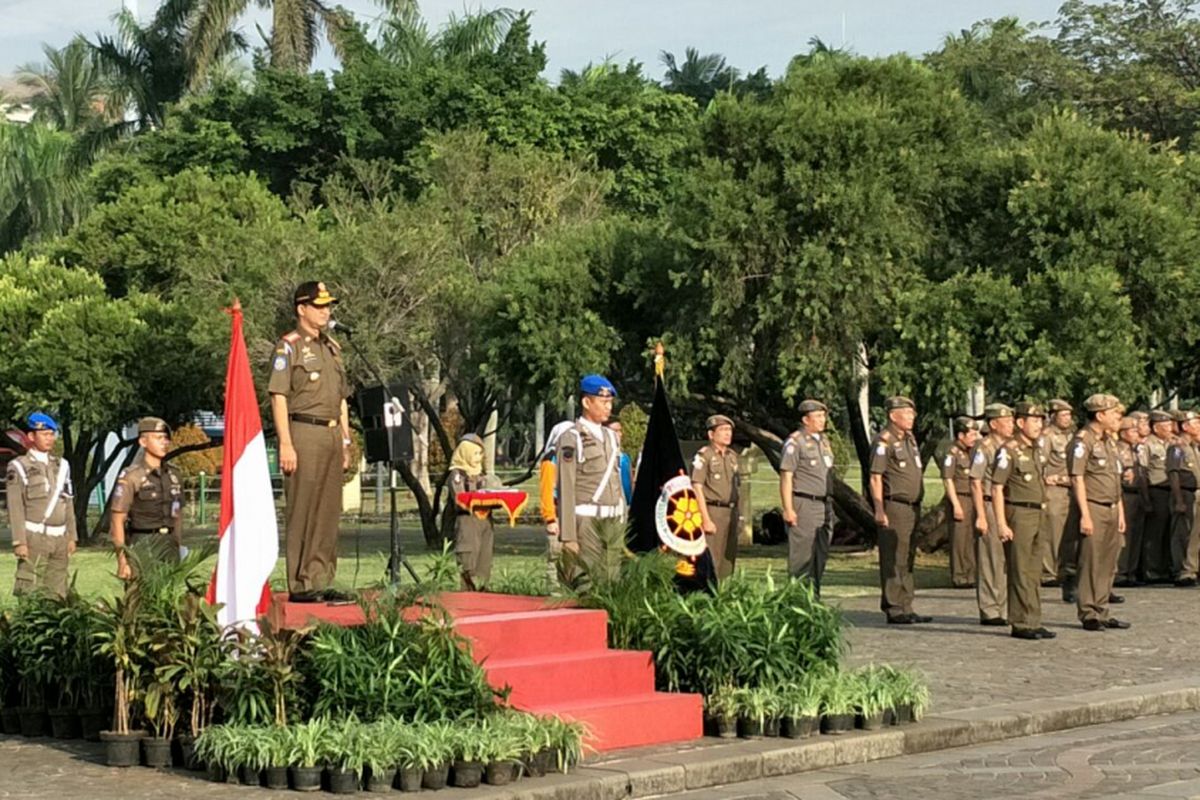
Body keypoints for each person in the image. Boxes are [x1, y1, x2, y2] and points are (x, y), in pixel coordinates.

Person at [267, 281, 352, 603]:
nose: (326, 311)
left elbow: (341, 398)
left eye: (328, 306)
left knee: (328, 510)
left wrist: (345, 439)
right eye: (319, 306)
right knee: (303, 507)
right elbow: (278, 396)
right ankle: (301, 582)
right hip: (303, 432)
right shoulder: (288, 347)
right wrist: (285, 444)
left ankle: (321, 576)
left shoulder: (332, 348)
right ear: (301, 309)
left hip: (331, 433)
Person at [992, 402, 1055, 640]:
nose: (1039, 424)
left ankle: (1034, 619)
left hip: (1039, 513)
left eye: (1041, 420)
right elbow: (997, 487)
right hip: (1019, 513)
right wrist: (1001, 523)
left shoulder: (1036, 449)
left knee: (1033, 570)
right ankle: (1020, 622)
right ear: (1020, 423)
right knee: (1019, 569)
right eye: (1034, 420)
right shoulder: (1009, 451)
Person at [1068, 393, 1129, 632]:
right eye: (1115, 413)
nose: (1118, 418)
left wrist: (1121, 511)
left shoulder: (1108, 441)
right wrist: (1084, 513)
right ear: (1100, 414)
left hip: (1112, 507)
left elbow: (1114, 479)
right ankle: (1088, 611)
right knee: (1091, 561)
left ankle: (1102, 609)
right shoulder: (1084, 440)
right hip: (1093, 505)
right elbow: (1077, 478)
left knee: (1108, 561)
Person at [869, 396, 931, 625]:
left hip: (912, 506)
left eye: (912, 414)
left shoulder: (909, 439)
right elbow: (875, 477)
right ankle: (894, 607)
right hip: (894, 505)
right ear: (893, 416)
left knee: (907, 557)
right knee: (894, 556)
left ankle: (906, 604)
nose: (911, 418)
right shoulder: (884, 441)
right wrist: (878, 509)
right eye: (906, 414)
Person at [556, 375, 626, 570]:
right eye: (603, 402)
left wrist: (623, 518)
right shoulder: (572, 438)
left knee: (612, 581)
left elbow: (617, 481)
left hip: (612, 520)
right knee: (588, 581)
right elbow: (566, 488)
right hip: (586, 522)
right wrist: (568, 536)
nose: (609, 407)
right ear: (587, 402)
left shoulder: (612, 437)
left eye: (610, 402)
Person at [5, 412, 76, 597]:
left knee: (58, 591)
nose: (49, 438)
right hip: (35, 536)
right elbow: (15, 507)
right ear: (31, 436)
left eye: (52, 434)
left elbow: (68, 501)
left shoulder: (62, 466)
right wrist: (19, 541)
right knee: (30, 588)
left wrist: (72, 536)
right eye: (44, 434)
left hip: (60, 536)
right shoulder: (19, 466)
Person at [110, 417, 184, 579]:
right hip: (142, 543)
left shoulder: (174, 474)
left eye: (166, 438)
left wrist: (178, 543)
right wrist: (122, 560)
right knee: (142, 596)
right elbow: (117, 520)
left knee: (169, 596)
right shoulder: (132, 476)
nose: (164, 442)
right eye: (158, 438)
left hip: (169, 544)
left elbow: (177, 513)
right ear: (143, 442)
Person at [779, 400, 834, 594]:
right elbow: (786, 476)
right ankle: (797, 599)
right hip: (803, 502)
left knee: (820, 554)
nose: (822, 420)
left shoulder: (823, 442)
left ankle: (813, 598)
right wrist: (788, 509)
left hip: (824, 505)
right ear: (805, 419)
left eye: (823, 416)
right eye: (817, 416)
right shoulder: (795, 442)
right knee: (802, 557)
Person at [970, 403, 1013, 626]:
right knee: (990, 559)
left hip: (1006, 504)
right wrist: (980, 515)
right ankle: (990, 609)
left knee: (1005, 560)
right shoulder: (984, 447)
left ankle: (1004, 607)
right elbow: (976, 482)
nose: (1011, 425)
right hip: (987, 503)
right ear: (994, 424)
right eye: (1006, 422)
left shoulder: (1009, 446)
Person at [692, 414, 741, 580]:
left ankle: (724, 596)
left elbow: (736, 488)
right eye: (723, 430)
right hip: (713, 510)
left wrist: (739, 516)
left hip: (731, 511)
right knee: (712, 558)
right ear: (711, 434)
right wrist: (705, 518)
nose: (728, 434)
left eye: (729, 430)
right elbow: (697, 486)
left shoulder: (732, 457)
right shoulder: (704, 455)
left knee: (728, 560)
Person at [447, 434, 494, 590]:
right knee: (468, 564)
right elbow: (460, 499)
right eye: (475, 453)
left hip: (486, 521)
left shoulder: (482, 474)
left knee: (484, 564)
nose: (478, 458)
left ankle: (484, 596)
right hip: (468, 521)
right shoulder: (457, 475)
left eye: (480, 454)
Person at [939, 416, 978, 589]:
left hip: (973, 498)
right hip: (960, 497)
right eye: (972, 434)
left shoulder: (973, 452)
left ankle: (971, 574)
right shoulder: (951, 453)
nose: (975, 437)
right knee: (960, 539)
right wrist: (955, 505)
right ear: (961, 435)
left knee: (971, 538)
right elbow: (948, 480)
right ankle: (960, 576)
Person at [1040, 399, 1075, 587]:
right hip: (1054, 490)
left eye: (1069, 415)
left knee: (1068, 533)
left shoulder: (1071, 436)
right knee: (1052, 533)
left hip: (1071, 491)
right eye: (1063, 415)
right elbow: (1040, 464)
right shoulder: (1047, 436)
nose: (1067, 419)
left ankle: (1064, 569)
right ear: (1053, 417)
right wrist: (1053, 479)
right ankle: (1048, 572)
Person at [537, 421, 576, 590]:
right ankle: (554, 592)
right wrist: (550, 518)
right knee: (555, 555)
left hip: (573, 514)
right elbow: (546, 491)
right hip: (558, 515)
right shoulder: (550, 460)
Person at [1141, 410, 1177, 584]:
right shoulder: (1147, 444)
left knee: (1169, 532)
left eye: (1170, 425)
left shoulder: (1174, 443)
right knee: (1155, 533)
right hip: (1156, 490)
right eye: (1165, 426)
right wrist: (1146, 499)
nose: (1170, 428)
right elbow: (1143, 472)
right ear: (1155, 427)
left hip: (1172, 490)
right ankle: (1152, 570)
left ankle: (1165, 568)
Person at [1115, 414, 1150, 587]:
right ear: (1122, 433)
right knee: (1125, 536)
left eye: (1137, 430)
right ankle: (1121, 572)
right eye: (1132, 430)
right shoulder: (1118, 449)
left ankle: (1131, 571)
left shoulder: (1136, 450)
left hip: (1138, 494)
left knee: (1136, 536)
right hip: (1125, 494)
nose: (1136, 433)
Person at [1167, 410, 1200, 586]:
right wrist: (1178, 499)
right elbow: (1173, 474)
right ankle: (1183, 570)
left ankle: (1192, 568)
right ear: (1186, 426)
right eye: (1197, 423)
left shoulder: (1193, 446)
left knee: (1195, 535)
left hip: (1196, 493)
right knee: (1183, 533)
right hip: (1185, 493)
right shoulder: (1177, 447)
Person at [605, 420, 635, 506]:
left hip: (626, 503)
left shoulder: (625, 458)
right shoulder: (604, 457)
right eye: (615, 431)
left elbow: (631, 481)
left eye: (620, 430)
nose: (620, 434)